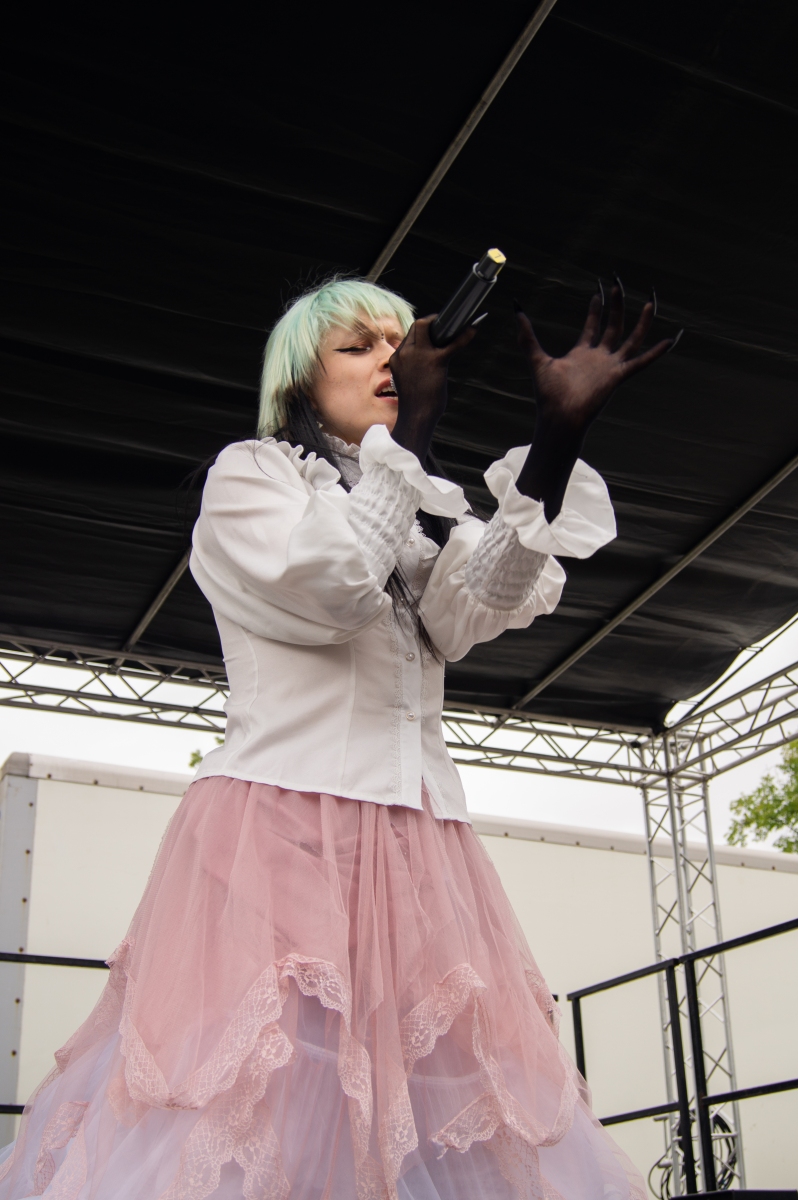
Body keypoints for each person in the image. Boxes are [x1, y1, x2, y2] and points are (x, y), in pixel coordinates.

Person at [0, 276, 674, 1199]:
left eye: (402, 344)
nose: (393, 362)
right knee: (265, 1096)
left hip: (417, 844)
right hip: (279, 828)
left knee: (437, 1113)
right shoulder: (256, 476)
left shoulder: (414, 510)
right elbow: (332, 590)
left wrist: (557, 438)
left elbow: (475, 605)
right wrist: (414, 435)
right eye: (358, 348)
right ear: (300, 383)